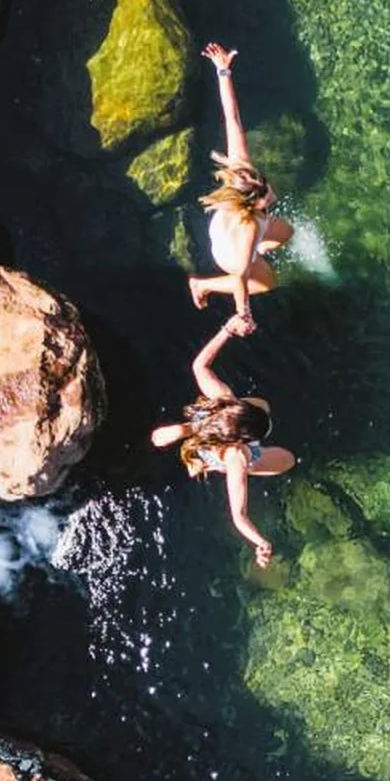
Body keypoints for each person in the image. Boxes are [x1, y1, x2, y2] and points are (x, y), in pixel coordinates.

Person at [152, 322, 297, 566]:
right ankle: (204, 462)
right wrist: (260, 542)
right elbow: (238, 515)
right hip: (221, 455)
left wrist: (227, 330)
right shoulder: (237, 457)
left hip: (208, 431)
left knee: (263, 407)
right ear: (242, 440)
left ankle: (189, 439)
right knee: (288, 460)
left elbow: (199, 366)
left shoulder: (223, 399)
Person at [187, 42, 293, 337]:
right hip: (230, 257)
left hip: (233, 230)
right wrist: (242, 313)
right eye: (265, 197)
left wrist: (223, 71)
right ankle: (201, 284)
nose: (270, 194)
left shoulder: (240, 173)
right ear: (252, 206)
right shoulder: (248, 229)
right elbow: (239, 279)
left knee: (287, 233)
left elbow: (232, 119)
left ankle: (265, 246)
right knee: (269, 282)